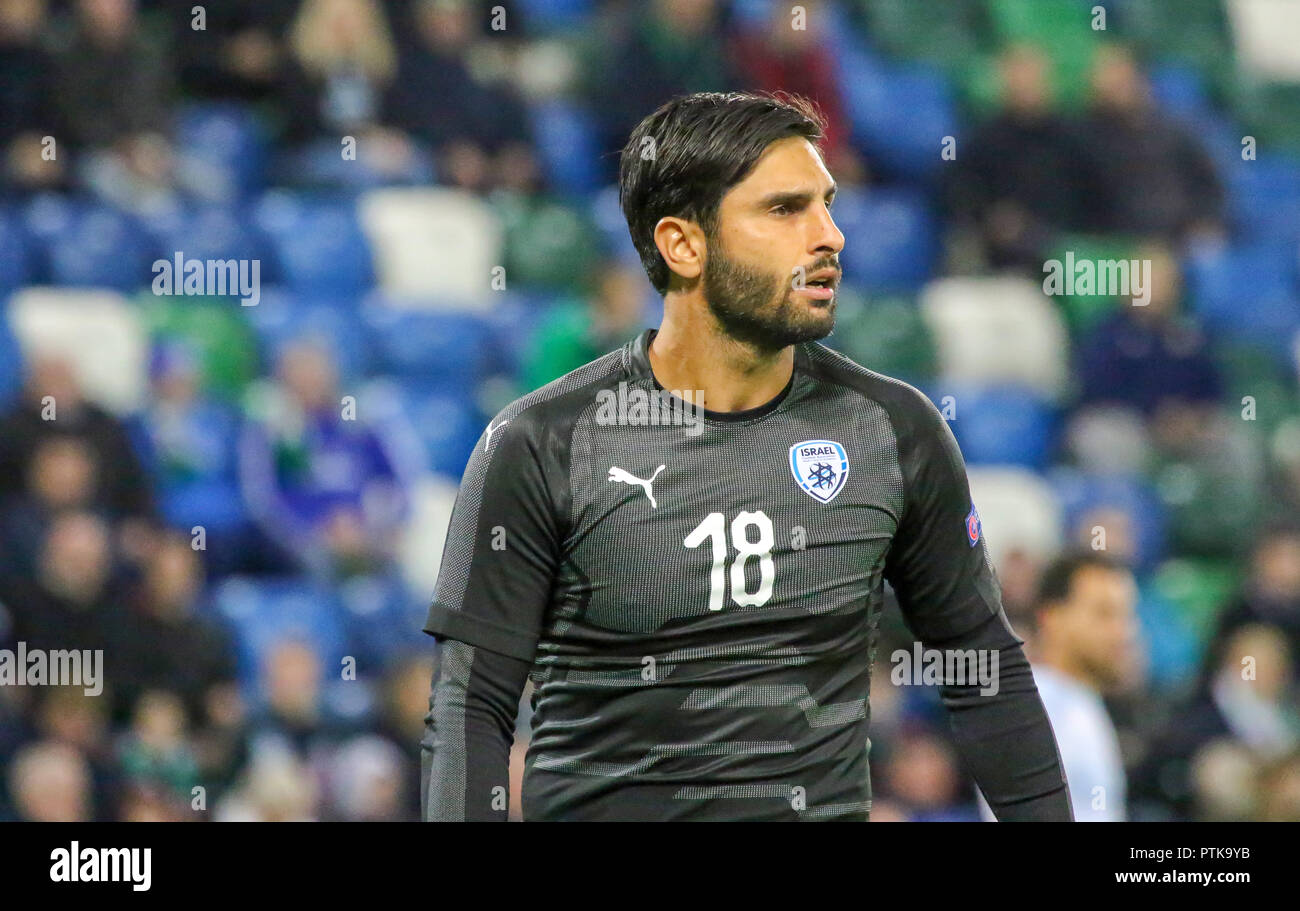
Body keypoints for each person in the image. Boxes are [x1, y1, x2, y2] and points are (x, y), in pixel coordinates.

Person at [420, 92, 1070, 821]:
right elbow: (471, 707)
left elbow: (984, 671)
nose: (831, 235)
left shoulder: (895, 430)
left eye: (826, 204)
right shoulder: (542, 444)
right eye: (786, 210)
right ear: (683, 245)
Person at [982, 551, 1140, 822]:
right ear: (1052, 617)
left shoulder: (1084, 702)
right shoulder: (1032, 707)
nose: (1124, 632)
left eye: (1126, 614)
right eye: (1104, 614)